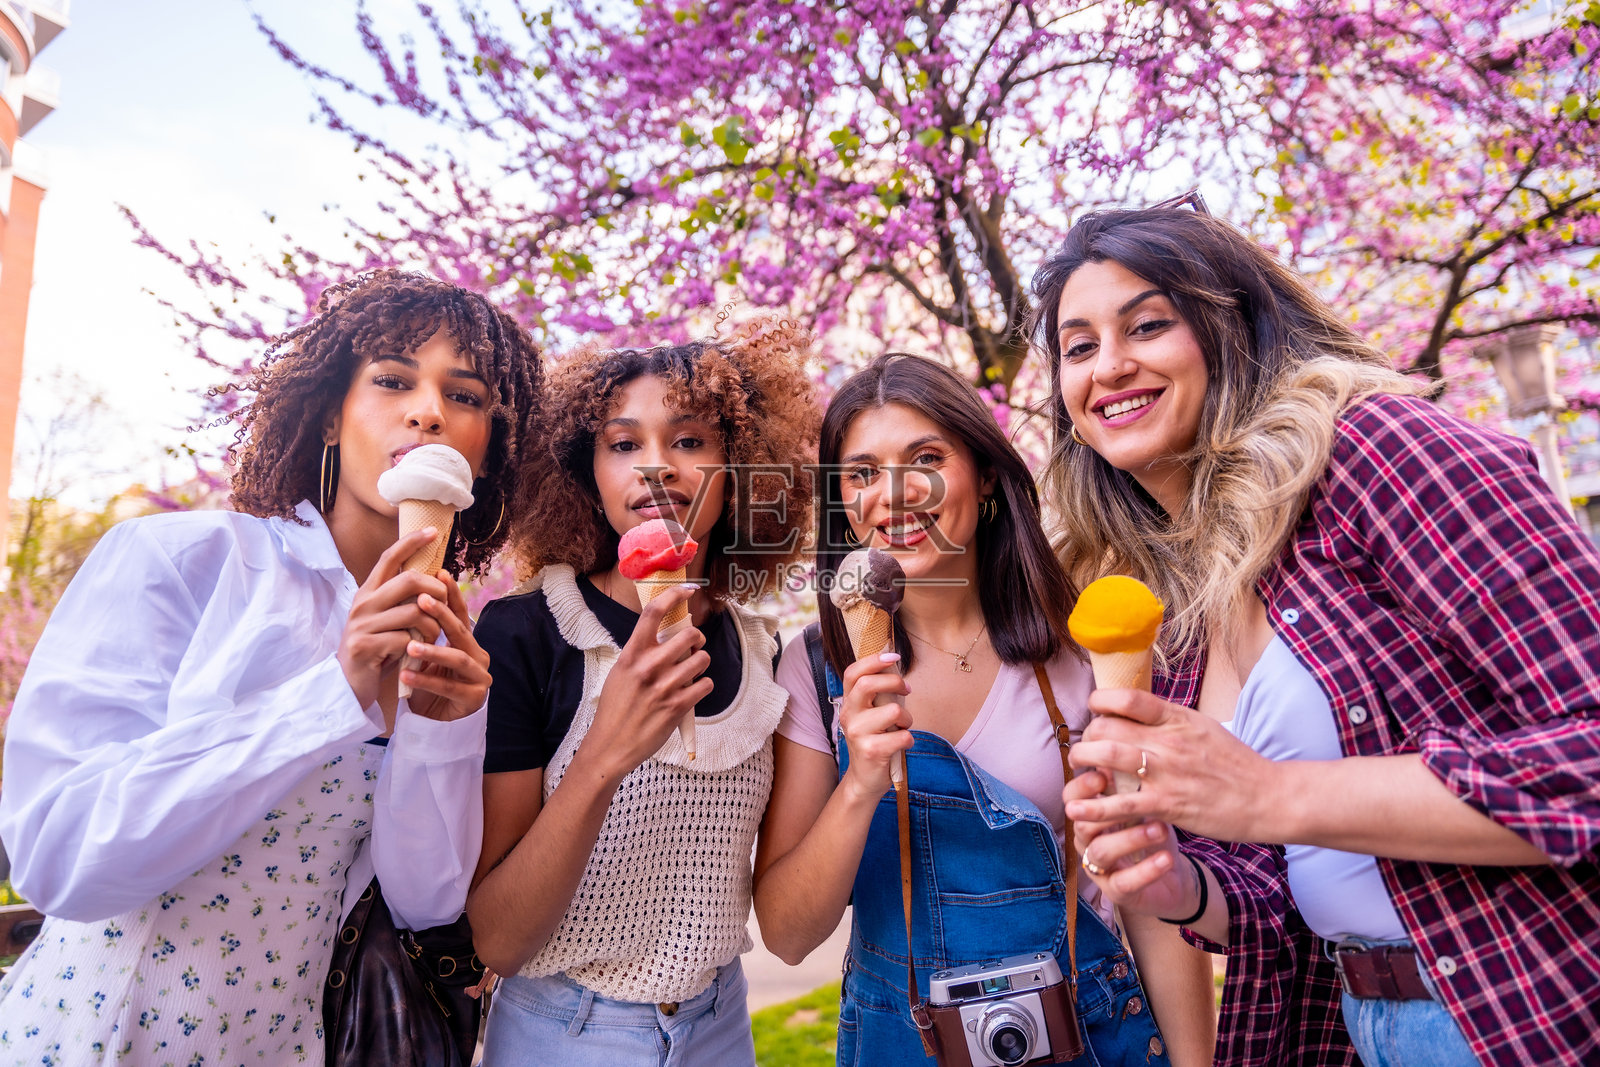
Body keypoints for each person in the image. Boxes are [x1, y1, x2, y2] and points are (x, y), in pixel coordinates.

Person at [1031, 206, 1600, 1067]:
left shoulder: (1379, 451)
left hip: (1528, 1006)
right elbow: (1289, 895)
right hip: (1365, 1026)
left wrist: (1269, 793)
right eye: (1077, 347)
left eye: (1148, 324)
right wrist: (1181, 886)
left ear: (1233, 327)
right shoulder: (1180, 595)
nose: (1109, 365)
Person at [0, 268, 543, 1065]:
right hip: (96, 1039)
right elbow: (58, 861)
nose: (429, 409)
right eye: (392, 379)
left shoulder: (453, 648)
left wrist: (441, 733)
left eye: (465, 396)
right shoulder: (183, 560)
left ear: (485, 453)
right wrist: (337, 692)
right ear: (329, 415)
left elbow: (422, 899)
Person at [753, 354, 1215, 1067]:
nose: (893, 494)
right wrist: (862, 779)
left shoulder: (1081, 649)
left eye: (926, 457)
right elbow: (786, 932)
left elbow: (1150, 890)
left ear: (988, 474)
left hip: (1091, 1035)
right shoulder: (815, 671)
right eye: (863, 472)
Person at [467, 315, 820, 1066]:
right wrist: (604, 753)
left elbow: (782, 905)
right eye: (624, 444)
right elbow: (496, 934)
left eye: (690, 440)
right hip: (564, 1033)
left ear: (738, 468)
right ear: (586, 474)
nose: (656, 466)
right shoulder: (526, 633)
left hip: (722, 1026)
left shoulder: (762, 651)